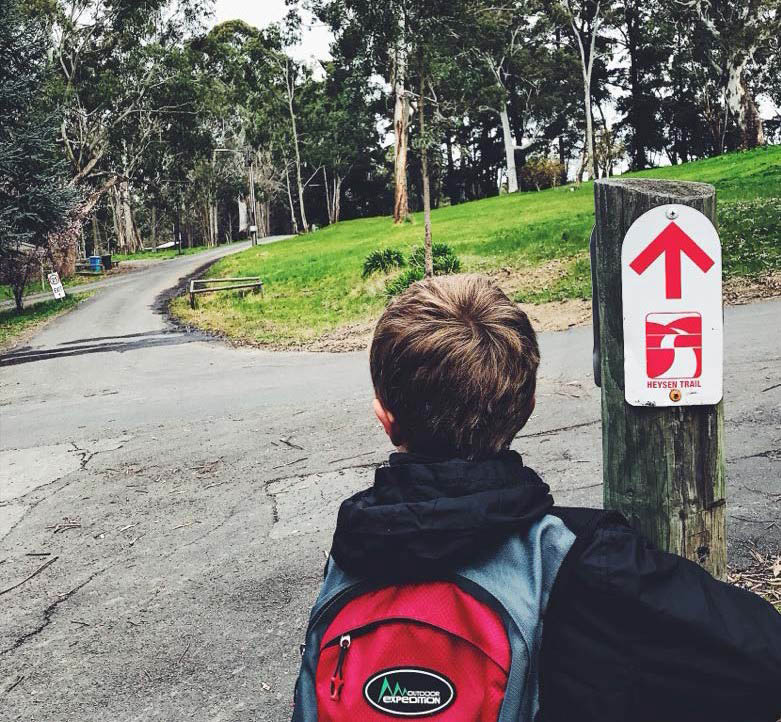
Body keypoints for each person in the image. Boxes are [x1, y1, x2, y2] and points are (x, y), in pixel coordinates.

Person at [292, 274, 781, 722]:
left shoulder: (352, 551)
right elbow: (762, 664)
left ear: (386, 418)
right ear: (525, 406)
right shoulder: (585, 560)